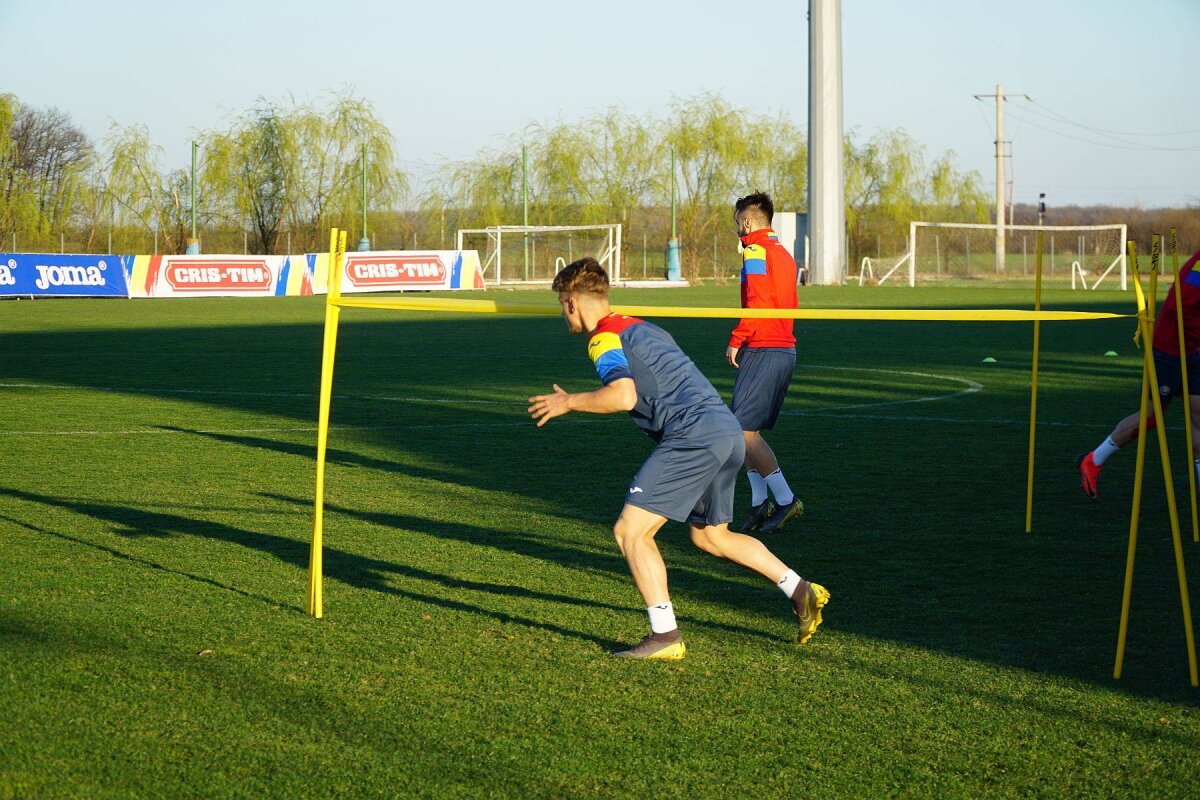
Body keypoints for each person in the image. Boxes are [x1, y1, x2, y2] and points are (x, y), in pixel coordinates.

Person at [528, 257, 829, 659]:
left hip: (693, 436)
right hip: (725, 430)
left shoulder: (603, 337)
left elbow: (623, 396)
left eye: (560, 304)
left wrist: (569, 402)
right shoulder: (641, 326)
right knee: (710, 535)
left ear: (570, 302)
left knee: (630, 532)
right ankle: (800, 590)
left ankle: (665, 635)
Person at [1079, 248, 1200, 498]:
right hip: (1169, 350)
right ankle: (1093, 460)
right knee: (1152, 416)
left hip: (1195, 351)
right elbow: (1181, 305)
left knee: (1199, 416)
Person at [728, 192, 802, 533]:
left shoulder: (755, 250)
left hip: (765, 347)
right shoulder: (784, 254)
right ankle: (759, 503)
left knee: (742, 432)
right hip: (781, 348)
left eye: (736, 223)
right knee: (742, 430)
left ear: (746, 221)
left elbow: (756, 302)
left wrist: (737, 338)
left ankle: (785, 500)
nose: (737, 230)